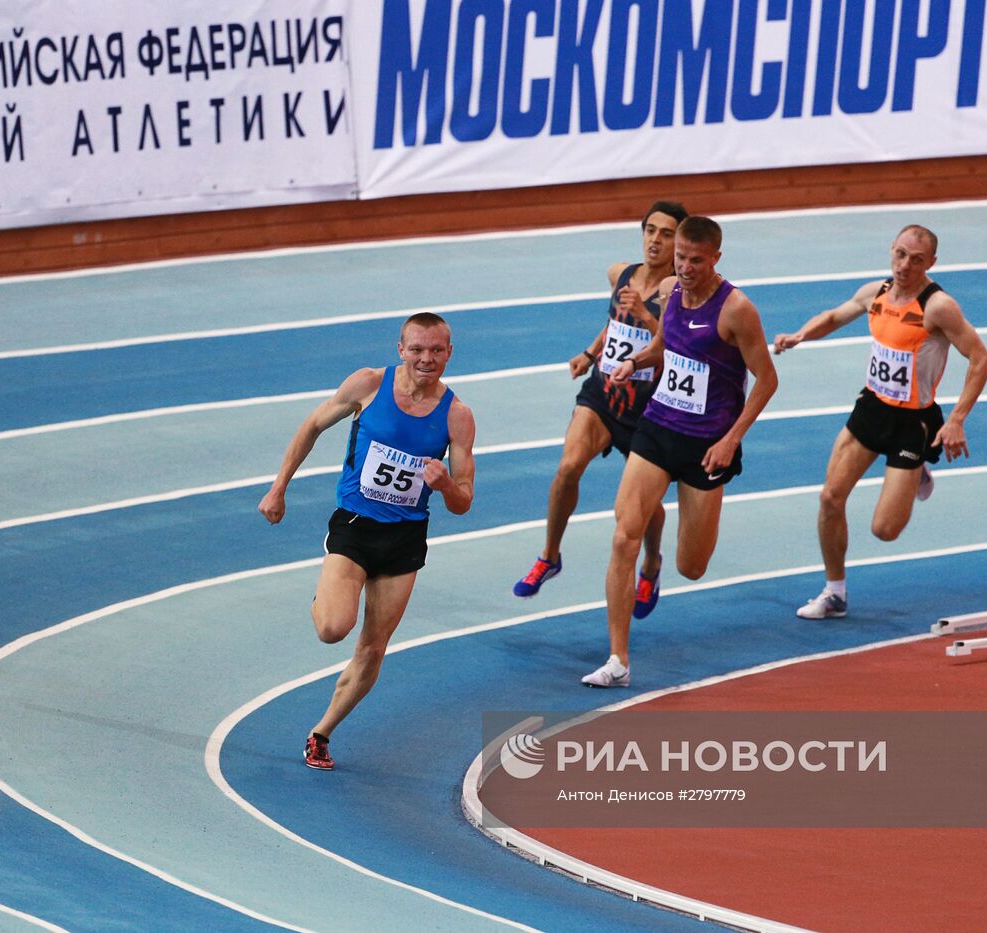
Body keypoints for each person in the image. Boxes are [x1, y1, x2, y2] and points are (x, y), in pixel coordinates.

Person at [257, 312, 476, 769]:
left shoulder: (457, 416)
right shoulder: (368, 385)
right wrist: (280, 487)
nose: (426, 359)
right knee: (333, 628)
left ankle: (322, 732)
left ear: (449, 354)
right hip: (355, 526)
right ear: (401, 350)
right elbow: (312, 426)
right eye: (417, 349)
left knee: (374, 647)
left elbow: (464, 501)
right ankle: (330, 589)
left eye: (436, 350)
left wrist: (446, 486)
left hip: (405, 540)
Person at [581, 216, 779, 687]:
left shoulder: (736, 310)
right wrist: (633, 361)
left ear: (715, 258)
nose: (686, 267)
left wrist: (731, 440)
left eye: (696, 260)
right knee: (623, 536)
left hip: (707, 445)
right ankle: (618, 660)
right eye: (681, 258)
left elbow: (767, 380)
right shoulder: (670, 291)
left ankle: (668, 563)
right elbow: (666, 347)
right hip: (658, 425)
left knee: (693, 566)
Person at [773, 224, 987, 619]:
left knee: (884, 531)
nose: (905, 265)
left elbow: (981, 359)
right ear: (891, 250)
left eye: (917, 259)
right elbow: (835, 316)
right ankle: (834, 592)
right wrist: (800, 335)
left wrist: (957, 419)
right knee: (829, 498)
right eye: (900, 254)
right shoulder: (876, 292)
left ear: (931, 263)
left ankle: (918, 466)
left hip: (913, 422)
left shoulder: (938, 306)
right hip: (872, 408)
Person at [513, 201, 689, 620]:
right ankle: (550, 555)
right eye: (651, 230)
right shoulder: (621, 275)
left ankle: (651, 563)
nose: (656, 240)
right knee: (568, 468)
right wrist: (590, 354)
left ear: (679, 242)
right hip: (602, 395)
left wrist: (647, 314)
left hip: (647, 409)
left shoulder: (681, 294)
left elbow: (674, 348)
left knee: (642, 505)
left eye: (667, 234)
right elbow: (615, 322)